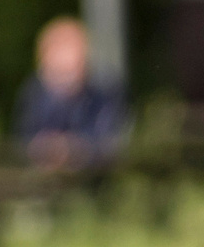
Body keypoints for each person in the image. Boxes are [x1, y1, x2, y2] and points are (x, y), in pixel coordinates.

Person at [14, 18, 129, 176]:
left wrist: (73, 151)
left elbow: (109, 143)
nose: (66, 75)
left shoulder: (104, 91)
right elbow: (21, 142)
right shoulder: (33, 93)